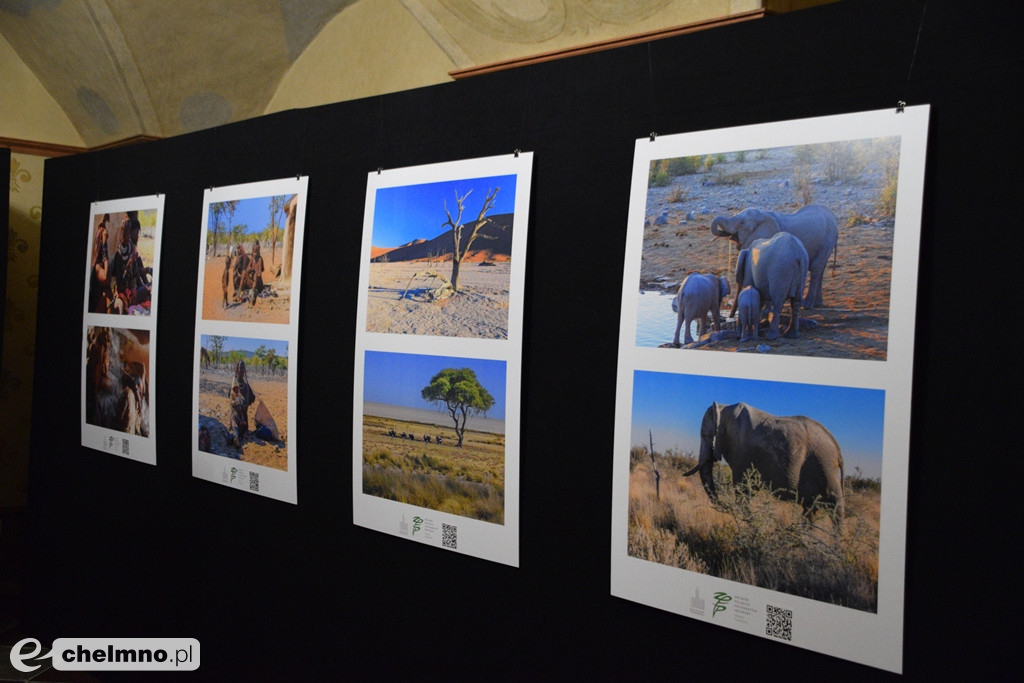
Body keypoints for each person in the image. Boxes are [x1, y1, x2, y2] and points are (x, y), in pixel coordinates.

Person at [89, 214, 112, 313]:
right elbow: (106, 279)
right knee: (105, 295)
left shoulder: (100, 263)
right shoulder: (96, 266)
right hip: (95, 309)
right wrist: (105, 244)